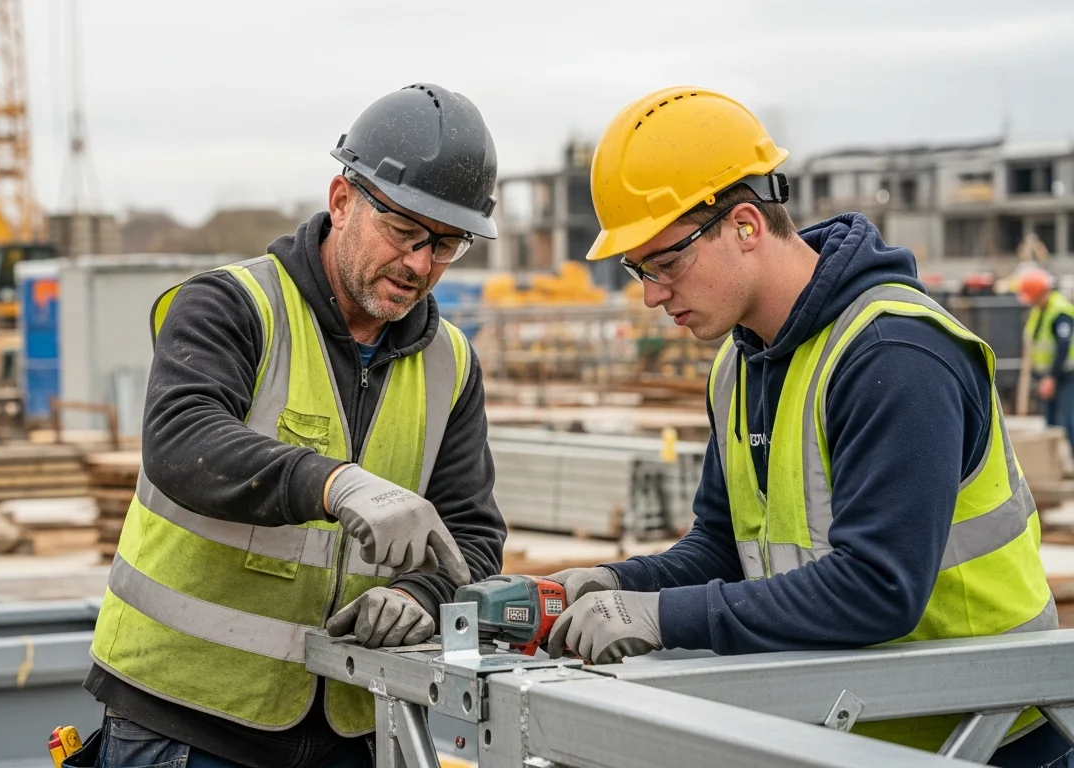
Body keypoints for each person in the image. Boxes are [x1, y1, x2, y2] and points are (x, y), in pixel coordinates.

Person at [540, 87, 1064, 765]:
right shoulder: (738, 365)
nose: (651, 294)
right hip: (847, 733)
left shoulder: (894, 357)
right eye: (638, 269)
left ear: (747, 226)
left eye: (667, 263)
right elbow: (725, 551)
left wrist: (662, 618)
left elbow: (879, 589)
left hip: (988, 738)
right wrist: (618, 584)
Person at [73, 84, 507, 768]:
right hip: (187, 723)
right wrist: (335, 484)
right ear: (342, 201)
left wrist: (419, 593)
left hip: (350, 727)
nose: (421, 265)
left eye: (447, 245)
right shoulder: (231, 306)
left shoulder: (450, 363)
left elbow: (473, 536)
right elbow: (182, 442)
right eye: (404, 232)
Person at [1016, 267, 1074, 458]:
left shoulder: (1060, 311)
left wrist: (1050, 377)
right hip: (1048, 377)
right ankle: (1054, 465)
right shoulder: (1039, 311)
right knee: (1051, 423)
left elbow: (1063, 348)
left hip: (1065, 375)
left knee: (1068, 420)